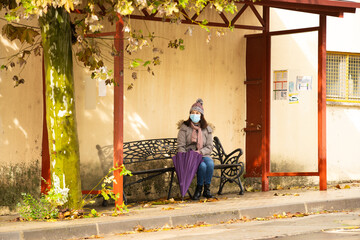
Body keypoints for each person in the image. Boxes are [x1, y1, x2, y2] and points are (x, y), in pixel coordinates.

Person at [177, 98, 215, 200]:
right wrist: (186, 156)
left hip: (202, 154)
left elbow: (209, 146)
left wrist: (200, 152)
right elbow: (181, 146)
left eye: (197, 113)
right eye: (193, 112)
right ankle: (198, 189)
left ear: (201, 115)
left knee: (210, 163)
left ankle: (206, 190)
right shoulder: (184, 127)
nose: (195, 115)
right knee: (202, 166)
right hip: (189, 156)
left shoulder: (207, 129)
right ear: (189, 114)